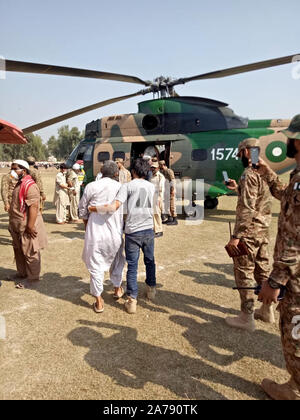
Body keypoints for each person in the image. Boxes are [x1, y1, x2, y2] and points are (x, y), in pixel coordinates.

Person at [256, 115, 300, 400]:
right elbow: (285, 195)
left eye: (290, 136)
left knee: (294, 329)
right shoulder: (296, 178)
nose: (287, 141)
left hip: (296, 277)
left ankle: (296, 387)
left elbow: (295, 234)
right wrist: (268, 173)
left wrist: (275, 279)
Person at [89, 158, 156, 314]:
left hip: (133, 231)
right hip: (148, 229)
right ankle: (151, 290)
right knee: (150, 261)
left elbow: (113, 206)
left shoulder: (127, 186)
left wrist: (93, 208)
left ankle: (132, 300)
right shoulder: (151, 186)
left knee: (132, 266)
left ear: (133, 171)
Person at [225, 138, 275, 332]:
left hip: (249, 233)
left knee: (244, 272)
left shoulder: (248, 173)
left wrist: (236, 236)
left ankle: (247, 317)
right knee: (263, 268)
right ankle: (266, 310)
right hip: (263, 230)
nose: (240, 158)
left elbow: (247, 207)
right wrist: (238, 188)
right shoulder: (264, 172)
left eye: (240, 154)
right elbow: (258, 199)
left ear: (246, 152)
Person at [79, 161, 125, 314]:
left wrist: (87, 226)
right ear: (116, 173)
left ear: (101, 171)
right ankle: (117, 289)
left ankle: (99, 301)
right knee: (117, 261)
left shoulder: (92, 186)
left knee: (96, 266)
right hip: (115, 234)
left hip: (95, 233)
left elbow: (82, 210)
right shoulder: (120, 187)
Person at [8, 160, 47, 286]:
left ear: (23, 170)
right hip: (17, 223)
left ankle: (32, 279)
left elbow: (34, 207)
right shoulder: (19, 183)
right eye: (11, 169)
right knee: (19, 250)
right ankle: (22, 273)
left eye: (15, 169)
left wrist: (30, 226)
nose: (12, 171)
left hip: (26, 224)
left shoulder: (30, 185)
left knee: (30, 251)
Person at [159, 160, 178, 226]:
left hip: (170, 191)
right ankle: (170, 218)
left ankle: (175, 220)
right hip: (166, 190)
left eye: (160, 165)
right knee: (167, 205)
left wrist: (172, 190)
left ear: (162, 165)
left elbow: (173, 181)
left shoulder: (169, 171)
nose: (159, 167)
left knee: (172, 205)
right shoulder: (163, 172)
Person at [150, 160, 165, 238]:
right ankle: (155, 229)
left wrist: (159, 199)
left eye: (154, 168)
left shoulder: (160, 176)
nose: (153, 169)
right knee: (153, 214)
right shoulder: (151, 176)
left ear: (158, 168)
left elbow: (161, 188)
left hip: (157, 198)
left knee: (157, 214)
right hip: (152, 197)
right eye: (152, 167)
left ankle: (159, 230)